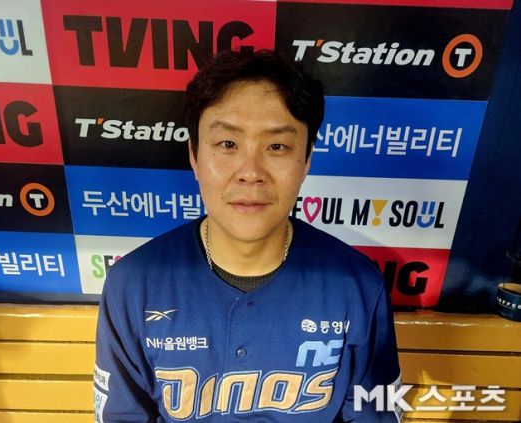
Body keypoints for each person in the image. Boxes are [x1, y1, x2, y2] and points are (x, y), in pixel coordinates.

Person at [94, 49, 402, 422]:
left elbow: (378, 413)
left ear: (306, 160)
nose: (251, 172)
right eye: (228, 144)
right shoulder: (133, 285)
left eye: (277, 146)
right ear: (194, 155)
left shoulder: (357, 286)